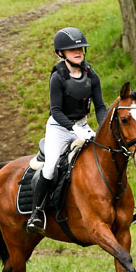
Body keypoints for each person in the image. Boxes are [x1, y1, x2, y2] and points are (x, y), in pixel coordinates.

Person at [26, 27, 107, 235]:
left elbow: (99, 106)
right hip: (59, 127)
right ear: (61, 53)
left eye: (80, 48)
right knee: (51, 167)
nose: (78, 51)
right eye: (72, 49)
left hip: (82, 125)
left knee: (104, 159)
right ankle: (37, 212)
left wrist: (103, 127)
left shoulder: (91, 75)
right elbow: (56, 110)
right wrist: (73, 129)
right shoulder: (58, 78)